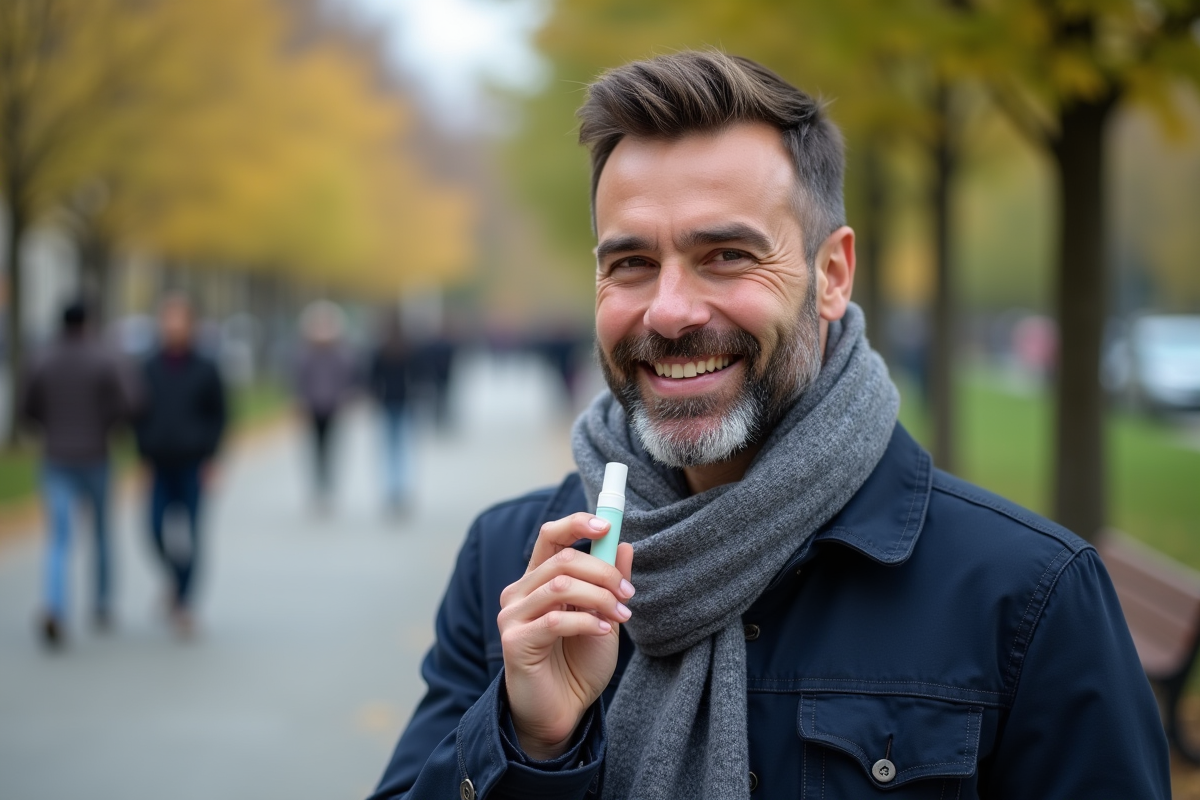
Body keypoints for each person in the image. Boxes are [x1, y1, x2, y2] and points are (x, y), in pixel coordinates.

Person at [369, 52, 1169, 799]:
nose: (670, 311)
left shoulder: (1024, 598)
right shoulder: (510, 570)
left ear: (831, 275)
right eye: (631, 264)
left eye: (725, 256)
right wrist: (528, 743)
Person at [21, 300, 135, 646]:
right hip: (96, 455)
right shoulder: (106, 357)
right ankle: (101, 603)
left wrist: (49, 428)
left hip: (56, 456)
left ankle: (55, 605)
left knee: (58, 538)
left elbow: (27, 408)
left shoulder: (41, 358)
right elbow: (131, 402)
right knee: (101, 533)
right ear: (90, 322)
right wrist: (107, 426)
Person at [135, 294, 227, 636]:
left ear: (191, 324)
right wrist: (141, 456)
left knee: (191, 534)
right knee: (154, 529)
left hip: (193, 462)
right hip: (158, 462)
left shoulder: (206, 367)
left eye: (179, 319)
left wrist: (213, 458)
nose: (173, 326)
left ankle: (186, 603)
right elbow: (138, 416)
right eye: (167, 319)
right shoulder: (149, 366)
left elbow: (220, 415)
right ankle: (175, 580)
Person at [294, 300, 357, 508]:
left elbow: (347, 378)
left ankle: (328, 486)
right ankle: (318, 487)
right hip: (312, 407)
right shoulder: (305, 353)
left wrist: (346, 399)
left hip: (333, 406)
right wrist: (298, 401)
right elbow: (298, 379)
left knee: (331, 448)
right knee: (315, 448)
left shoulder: (340, 353)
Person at [368, 309, 412, 513]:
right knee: (402, 446)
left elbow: (372, 378)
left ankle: (391, 487)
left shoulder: (380, 350)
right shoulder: (408, 349)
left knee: (389, 446)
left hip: (387, 401)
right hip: (404, 400)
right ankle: (400, 487)